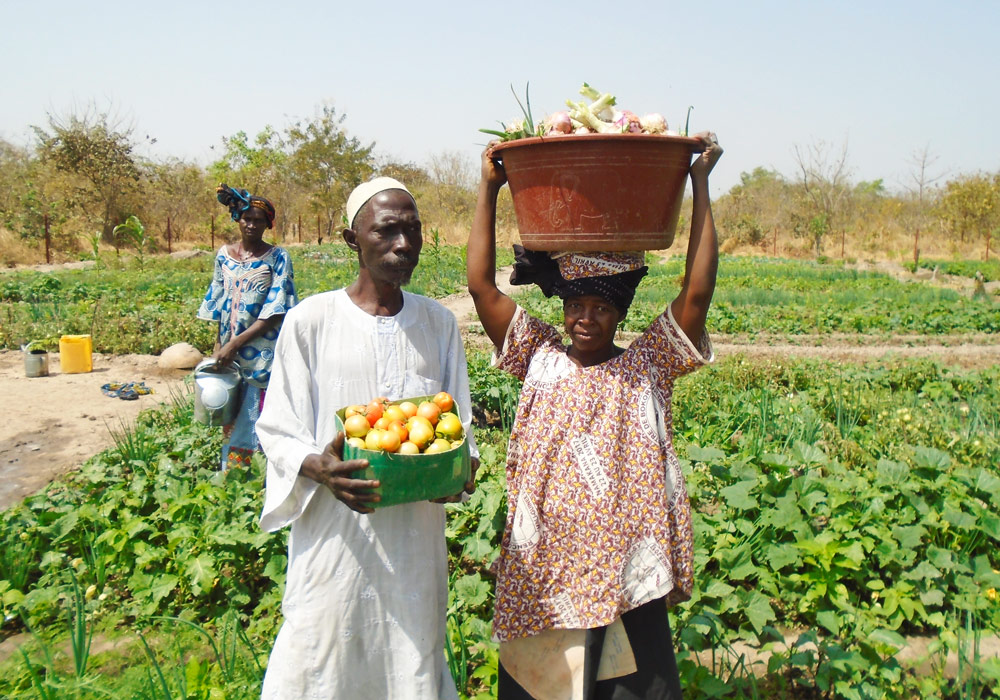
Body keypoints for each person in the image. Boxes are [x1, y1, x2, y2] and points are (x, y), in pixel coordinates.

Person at [467, 133, 723, 699]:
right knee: (542, 686)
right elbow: (481, 287)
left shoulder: (647, 366)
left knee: (631, 688)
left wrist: (699, 182)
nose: (586, 318)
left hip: (626, 575)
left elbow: (697, 292)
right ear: (562, 309)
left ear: (619, 313)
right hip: (547, 570)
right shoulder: (538, 356)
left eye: (602, 307)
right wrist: (490, 188)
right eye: (575, 305)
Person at [254, 177, 478, 699]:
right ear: (352, 240)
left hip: (414, 538)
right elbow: (278, 427)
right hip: (336, 536)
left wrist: (457, 472)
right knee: (322, 653)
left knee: (410, 656)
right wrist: (320, 468)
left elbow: (458, 427)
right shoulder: (311, 320)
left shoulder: (438, 323)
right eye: (386, 231)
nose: (403, 244)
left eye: (413, 230)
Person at [198, 184, 297, 470]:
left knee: (254, 412)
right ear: (237, 219)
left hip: (262, 353)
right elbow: (218, 301)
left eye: (258, 220)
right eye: (247, 218)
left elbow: (277, 309)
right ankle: (233, 472)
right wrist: (220, 345)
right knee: (229, 407)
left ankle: (252, 473)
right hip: (229, 350)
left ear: (268, 224)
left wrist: (235, 343)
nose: (252, 225)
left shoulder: (278, 258)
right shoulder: (224, 255)